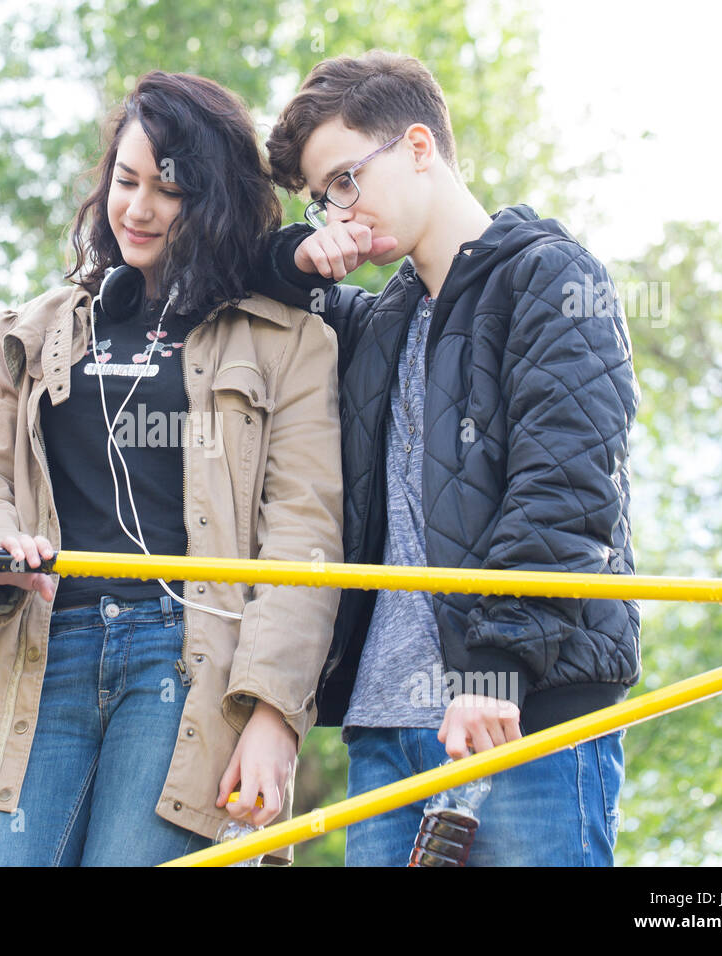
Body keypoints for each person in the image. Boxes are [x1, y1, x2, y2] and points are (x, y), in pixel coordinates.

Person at [0, 71, 343, 866]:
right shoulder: (27, 331)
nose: (138, 209)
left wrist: (274, 714)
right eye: (126, 180)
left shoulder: (289, 343)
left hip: (186, 663)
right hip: (42, 655)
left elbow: (304, 536)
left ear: (214, 199)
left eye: (170, 190)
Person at [256, 51, 640, 866]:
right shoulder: (375, 321)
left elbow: (568, 493)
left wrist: (494, 673)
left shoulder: (551, 277)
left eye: (345, 182)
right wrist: (298, 254)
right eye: (323, 198)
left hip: (523, 715)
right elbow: (236, 278)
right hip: (386, 733)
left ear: (420, 147)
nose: (338, 212)